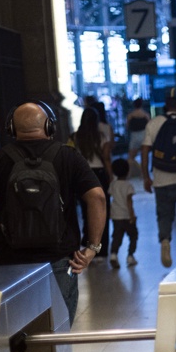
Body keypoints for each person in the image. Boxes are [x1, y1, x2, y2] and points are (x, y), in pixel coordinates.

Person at [0, 102, 105, 323]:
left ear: (12, 128)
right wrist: (92, 248)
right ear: (49, 126)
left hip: (9, 262)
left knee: (19, 331)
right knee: (56, 333)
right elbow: (97, 197)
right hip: (60, 260)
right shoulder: (68, 157)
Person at [141, 87, 176, 267]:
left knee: (164, 214)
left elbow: (145, 151)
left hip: (161, 180)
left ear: (166, 104)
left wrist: (146, 177)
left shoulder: (154, 123)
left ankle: (165, 240)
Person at [72, 106, 112, 257]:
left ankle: (87, 243)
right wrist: (110, 176)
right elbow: (106, 158)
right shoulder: (101, 136)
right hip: (99, 174)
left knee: (85, 211)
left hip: (82, 175)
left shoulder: (76, 137)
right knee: (102, 211)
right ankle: (101, 250)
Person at [107, 158, 137, 268]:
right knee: (133, 236)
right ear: (128, 171)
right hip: (127, 216)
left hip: (116, 216)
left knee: (116, 236)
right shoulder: (128, 185)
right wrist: (132, 215)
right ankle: (130, 256)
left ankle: (114, 255)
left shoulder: (113, 185)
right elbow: (129, 201)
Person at [125, 98, 150, 171]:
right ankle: (144, 172)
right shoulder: (145, 114)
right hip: (143, 135)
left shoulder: (131, 115)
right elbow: (149, 125)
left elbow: (127, 126)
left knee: (131, 156)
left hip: (134, 135)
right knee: (144, 156)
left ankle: (130, 172)